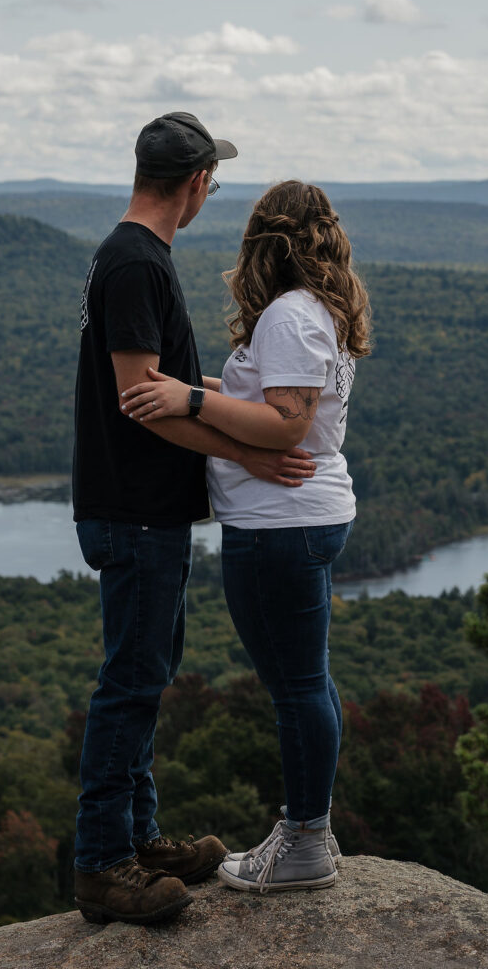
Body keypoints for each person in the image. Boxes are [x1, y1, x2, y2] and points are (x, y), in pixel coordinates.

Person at [72, 117, 319, 925]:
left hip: (145, 512)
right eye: (212, 177)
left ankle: (138, 840)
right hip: (136, 511)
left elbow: (169, 383)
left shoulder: (134, 256)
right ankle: (104, 863)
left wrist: (235, 405)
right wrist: (249, 456)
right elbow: (146, 400)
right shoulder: (138, 262)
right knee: (131, 684)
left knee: (145, 677)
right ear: (198, 182)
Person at [120, 179, 371, 895]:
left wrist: (191, 400)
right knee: (307, 684)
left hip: (279, 527)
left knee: (295, 691)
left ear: (264, 241)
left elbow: (287, 421)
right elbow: (269, 401)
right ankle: (304, 835)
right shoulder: (314, 307)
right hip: (302, 520)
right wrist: (178, 384)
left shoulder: (290, 314)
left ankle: (302, 845)